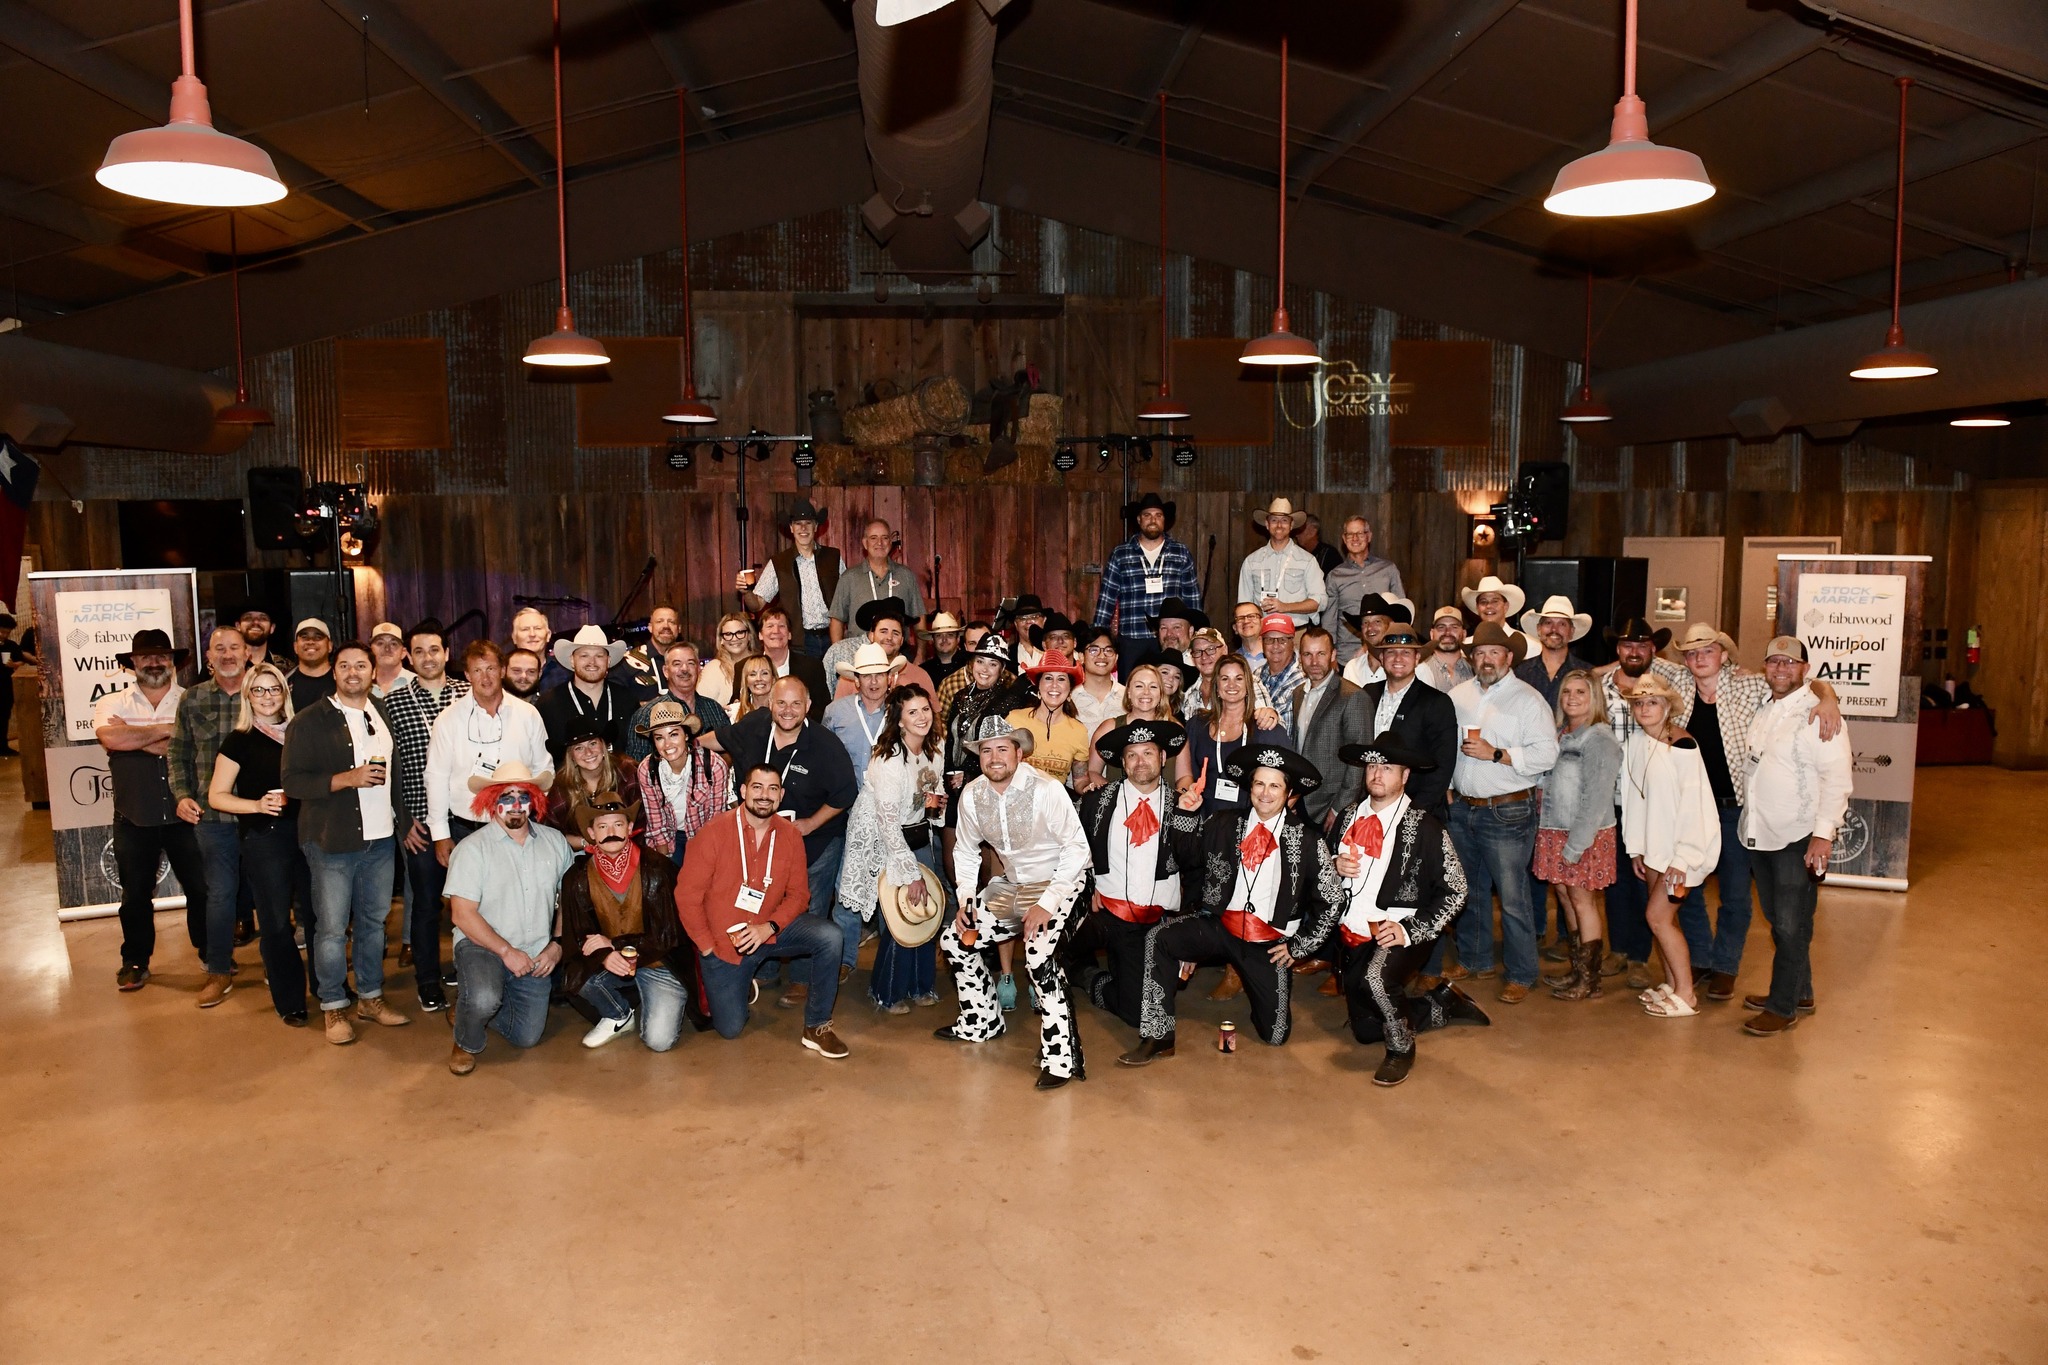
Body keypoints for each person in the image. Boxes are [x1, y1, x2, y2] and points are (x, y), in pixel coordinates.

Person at [1120, 744, 1339, 1065]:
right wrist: (1185, 814)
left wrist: (1299, 946)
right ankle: (1158, 1036)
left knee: (1275, 1034)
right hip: (1220, 926)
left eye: (1274, 785)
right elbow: (1187, 858)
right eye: (1259, 783)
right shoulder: (1223, 822)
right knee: (1160, 938)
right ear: (1250, 787)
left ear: (1289, 793)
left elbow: (1331, 900)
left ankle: (1257, 989)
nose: (1265, 793)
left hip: (1268, 944)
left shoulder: (1308, 840)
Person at [1670, 621, 1842, 1002]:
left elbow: (1798, 684)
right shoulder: (1676, 685)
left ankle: (1726, 966)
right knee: (1687, 889)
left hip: (1736, 810)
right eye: (1692, 653)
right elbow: (1632, 664)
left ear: (1724, 656)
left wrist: (1828, 695)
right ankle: (1700, 958)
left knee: (1736, 894)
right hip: (1691, 809)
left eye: (1708, 650)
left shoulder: (1751, 687)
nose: (1699, 658)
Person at [936, 717, 1090, 1090]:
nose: (994, 757)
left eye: (1003, 749)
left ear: (1019, 753)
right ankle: (982, 1021)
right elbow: (966, 852)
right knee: (954, 940)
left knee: (1039, 956)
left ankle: (1062, 1058)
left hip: (1062, 883)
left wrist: (1047, 903)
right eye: (986, 750)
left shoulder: (1047, 789)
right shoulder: (972, 794)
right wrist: (967, 901)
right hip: (1012, 885)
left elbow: (1077, 850)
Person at [1330, 734, 1487, 1086]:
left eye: (1388, 768)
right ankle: (1440, 1003)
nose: (1377, 774)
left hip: (1400, 929)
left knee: (1376, 980)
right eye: (1372, 766)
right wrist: (1334, 866)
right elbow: (1322, 870)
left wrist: (1409, 929)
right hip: (1353, 930)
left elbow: (1456, 890)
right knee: (1365, 1031)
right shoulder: (1347, 817)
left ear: (1405, 776)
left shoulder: (1426, 826)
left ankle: (1401, 1050)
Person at [281, 640, 410, 1046]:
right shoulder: (308, 720)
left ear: (373, 671)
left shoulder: (382, 711)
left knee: (374, 924)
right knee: (332, 929)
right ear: (333, 672)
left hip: (381, 839)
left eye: (361, 665)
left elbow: (397, 775)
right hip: (331, 841)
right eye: (344, 666)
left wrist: (404, 823)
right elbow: (292, 782)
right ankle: (333, 1004)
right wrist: (346, 779)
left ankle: (370, 997)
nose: (353, 673)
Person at [673, 764, 849, 1057]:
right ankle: (743, 979)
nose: (764, 795)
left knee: (830, 936)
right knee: (730, 1028)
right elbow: (686, 896)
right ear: (743, 791)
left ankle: (817, 1026)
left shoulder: (790, 835)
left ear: (781, 796)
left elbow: (799, 896)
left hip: (770, 932)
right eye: (757, 787)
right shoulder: (714, 833)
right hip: (725, 945)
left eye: (772, 789)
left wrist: (770, 927)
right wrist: (706, 947)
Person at [1737, 636, 1853, 1038]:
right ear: (1765, 667)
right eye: (1773, 661)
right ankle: (1800, 992)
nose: (1780, 669)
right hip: (1760, 832)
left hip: (1797, 835)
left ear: (1804, 668)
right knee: (1780, 919)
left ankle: (1781, 1006)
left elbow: (1837, 778)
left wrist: (1823, 835)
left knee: (1790, 924)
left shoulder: (1819, 714)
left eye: (1789, 663)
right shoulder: (1764, 707)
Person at [716, 677, 859, 996]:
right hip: (765, 842)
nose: (788, 710)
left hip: (815, 842)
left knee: (809, 907)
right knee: (765, 902)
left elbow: (846, 793)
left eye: (796, 704)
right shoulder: (755, 728)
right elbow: (721, 739)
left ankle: (802, 978)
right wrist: (688, 737)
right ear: (770, 704)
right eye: (781, 703)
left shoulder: (826, 745)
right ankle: (766, 968)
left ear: (808, 706)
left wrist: (810, 823)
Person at [1442, 622, 1558, 1003]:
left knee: (1512, 896)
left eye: (1494, 652)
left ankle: (1522, 973)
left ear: (1509, 657)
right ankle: (1475, 960)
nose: (1487, 659)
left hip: (1508, 811)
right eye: (1480, 653)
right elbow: (1446, 746)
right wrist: (1448, 785)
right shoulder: (1458, 696)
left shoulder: (1528, 700)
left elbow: (1547, 754)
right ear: (1471, 658)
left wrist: (1497, 753)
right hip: (1464, 808)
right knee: (1469, 891)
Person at [94, 628, 209, 993]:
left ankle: (211, 952)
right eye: (146, 656)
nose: (154, 662)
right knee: (134, 895)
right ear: (133, 663)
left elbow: (196, 747)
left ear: (173, 662)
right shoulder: (111, 702)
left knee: (201, 888)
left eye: (162, 656)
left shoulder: (191, 699)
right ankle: (135, 961)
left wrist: (135, 735)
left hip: (185, 813)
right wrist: (170, 732)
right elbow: (111, 738)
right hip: (134, 815)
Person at [443, 762, 574, 1073]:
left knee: (527, 1036)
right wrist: (506, 951)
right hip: (481, 944)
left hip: (534, 950)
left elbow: (570, 900)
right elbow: (462, 914)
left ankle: (469, 1006)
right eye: (506, 797)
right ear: (491, 801)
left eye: (523, 796)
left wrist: (557, 944)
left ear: (534, 801)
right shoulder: (472, 849)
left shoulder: (555, 842)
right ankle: (466, 1038)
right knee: (485, 998)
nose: (516, 805)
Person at [206, 660, 308, 1025]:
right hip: (266, 839)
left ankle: (331, 992)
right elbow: (216, 796)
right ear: (248, 695)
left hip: (310, 835)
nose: (267, 696)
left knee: (320, 919)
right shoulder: (240, 740)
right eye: (259, 690)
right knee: (277, 923)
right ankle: (290, 1001)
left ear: (284, 693)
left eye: (274, 688)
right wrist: (256, 805)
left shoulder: (302, 732)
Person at [836, 685, 947, 1014]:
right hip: (883, 838)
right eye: (912, 712)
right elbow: (887, 824)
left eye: (925, 709)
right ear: (899, 720)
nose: (921, 717)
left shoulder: (936, 747)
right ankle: (887, 992)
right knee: (899, 915)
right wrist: (910, 873)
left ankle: (920, 984)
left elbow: (930, 793)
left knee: (925, 909)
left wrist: (937, 802)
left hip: (917, 832)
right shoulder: (888, 760)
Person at [1070, 718, 1186, 1030]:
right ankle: (1076, 963)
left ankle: (1091, 977)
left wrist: (1186, 934)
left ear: (1163, 758)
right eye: (1131, 755)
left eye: (1148, 753)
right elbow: (1073, 852)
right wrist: (1087, 887)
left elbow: (1196, 868)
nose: (1140, 762)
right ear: (1122, 763)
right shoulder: (1096, 801)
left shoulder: (1181, 807)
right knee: (1053, 946)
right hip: (1105, 915)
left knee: (1140, 1013)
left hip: (1155, 924)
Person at [558, 791, 695, 1051]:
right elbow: (578, 935)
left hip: (659, 964)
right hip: (611, 962)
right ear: (591, 833)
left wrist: (613, 944)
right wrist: (603, 955)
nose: (611, 832)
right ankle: (619, 1013)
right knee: (576, 975)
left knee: (659, 1041)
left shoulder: (658, 868)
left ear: (630, 828)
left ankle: (650, 996)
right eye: (602, 827)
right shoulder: (576, 878)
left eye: (618, 824)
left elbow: (668, 936)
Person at [1619, 672, 1721, 1019]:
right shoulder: (1636, 743)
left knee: (1658, 918)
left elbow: (1695, 806)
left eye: (1653, 702)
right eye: (1639, 703)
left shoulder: (1683, 746)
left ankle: (1687, 994)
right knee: (1661, 921)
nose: (1645, 708)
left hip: (1681, 851)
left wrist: (1683, 858)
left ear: (1667, 707)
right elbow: (1633, 798)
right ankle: (1671, 982)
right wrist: (1636, 847)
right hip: (1653, 849)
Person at [381, 619, 469, 1011]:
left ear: (447, 653)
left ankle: (467, 968)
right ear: (408, 656)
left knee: (469, 902)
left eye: (434, 650)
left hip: (468, 817)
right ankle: (428, 979)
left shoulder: (467, 693)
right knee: (426, 903)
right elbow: (389, 766)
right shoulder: (393, 702)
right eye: (418, 651)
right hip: (420, 821)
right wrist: (402, 820)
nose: (427, 657)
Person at [168, 625, 250, 1008]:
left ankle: (279, 967)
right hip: (213, 818)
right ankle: (218, 971)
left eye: (235, 647)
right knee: (219, 895)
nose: (228, 654)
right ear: (209, 657)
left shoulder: (265, 693)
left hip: (261, 815)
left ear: (247, 653)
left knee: (273, 895)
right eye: (220, 648)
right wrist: (182, 795)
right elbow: (178, 753)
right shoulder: (193, 698)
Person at [424, 640, 554, 866]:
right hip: (466, 830)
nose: (485, 677)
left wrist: (533, 812)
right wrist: (440, 834)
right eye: (477, 670)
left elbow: (544, 768)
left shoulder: (528, 714)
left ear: (502, 671)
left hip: (519, 827)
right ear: (467, 675)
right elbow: (436, 777)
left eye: (491, 668)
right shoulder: (447, 720)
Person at [1534, 671, 1622, 1001]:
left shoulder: (1599, 739)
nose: (1572, 698)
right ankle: (1577, 970)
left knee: (1583, 902)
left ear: (1594, 697)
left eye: (1581, 692)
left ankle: (1590, 980)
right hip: (1554, 829)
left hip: (1582, 834)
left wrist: (1576, 845)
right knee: (1567, 897)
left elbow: (1597, 800)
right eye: (1567, 691)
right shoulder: (1562, 733)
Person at [1352, 627, 1458, 819]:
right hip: (1368, 807)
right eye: (1391, 652)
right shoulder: (1367, 693)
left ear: (1417, 658)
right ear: (1382, 658)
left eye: (1406, 653)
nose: (1398, 658)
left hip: (1417, 811)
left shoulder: (1436, 702)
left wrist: (1412, 814)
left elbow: (1443, 766)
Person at [1093, 491, 1201, 675]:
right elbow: (1106, 600)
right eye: (1147, 515)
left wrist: (1196, 636)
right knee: (1130, 687)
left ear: (1165, 520)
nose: (1153, 520)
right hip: (1131, 639)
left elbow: (1192, 598)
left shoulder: (1180, 553)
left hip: (1170, 638)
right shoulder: (1121, 554)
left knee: (1170, 685)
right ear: (1138, 519)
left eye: (1158, 515)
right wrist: (1097, 639)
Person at [1185, 656, 1290, 822]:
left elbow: (1290, 783)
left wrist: (1269, 823)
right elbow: (1185, 776)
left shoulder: (1266, 729)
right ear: (1216, 687)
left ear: (1248, 686)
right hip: (1204, 822)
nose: (1232, 685)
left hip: (1250, 824)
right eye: (1225, 679)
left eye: (1239, 678)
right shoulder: (1197, 726)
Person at [634, 699, 732, 862]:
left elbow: (716, 820)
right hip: (670, 837)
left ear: (686, 735)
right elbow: (656, 822)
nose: (667, 744)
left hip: (704, 836)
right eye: (659, 738)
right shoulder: (647, 769)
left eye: (673, 735)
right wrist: (664, 863)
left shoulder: (714, 765)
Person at [740, 500, 840, 658]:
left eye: (808, 523)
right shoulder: (779, 563)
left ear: (815, 526)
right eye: (798, 523)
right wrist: (746, 592)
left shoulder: (834, 557)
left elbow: (848, 597)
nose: (803, 528)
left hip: (833, 638)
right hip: (800, 642)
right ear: (791, 528)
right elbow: (757, 604)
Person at [1289, 625, 1359, 836]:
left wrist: (1340, 808)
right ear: (1300, 657)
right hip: (1299, 802)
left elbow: (1358, 762)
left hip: (1331, 805)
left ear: (1333, 655)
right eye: (1307, 654)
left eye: (1321, 653)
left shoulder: (1353, 696)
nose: (1314, 661)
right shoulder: (1298, 693)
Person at [1081, 662, 1188, 791]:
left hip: (1165, 803)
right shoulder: (1109, 728)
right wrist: (1112, 795)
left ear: (1161, 693)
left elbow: (1184, 776)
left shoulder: (1175, 730)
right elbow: (1092, 771)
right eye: (1139, 686)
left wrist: (1181, 796)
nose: (1146, 692)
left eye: (1153, 687)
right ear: (1129, 693)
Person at [537, 625, 636, 761]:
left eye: (599, 656)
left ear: (608, 661)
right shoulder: (548, 705)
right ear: (572, 660)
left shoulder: (627, 700)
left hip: (619, 775)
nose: (592, 662)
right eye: (584, 655)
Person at [624, 639, 735, 761]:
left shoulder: (715, 709)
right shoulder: (646, 714)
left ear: (699, 669)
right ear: (666, 671)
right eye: (677, 664)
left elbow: (732, 750)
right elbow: (636, 764)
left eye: (691, 663)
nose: (684, 669)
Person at [546, 713, 639, 847]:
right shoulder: (561, 789)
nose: (588, 752)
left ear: (603, 746)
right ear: (571, 756)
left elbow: (644, 821)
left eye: (593, 743)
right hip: (582, 853)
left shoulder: (627, 773)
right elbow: (551, 835)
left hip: (631, 848)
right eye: (579, 748)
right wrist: (587, 843)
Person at [1238, 497, 1328, 631]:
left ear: (1291, 525)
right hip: (1261, 633)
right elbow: (1243, 604)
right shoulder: (1251, 562)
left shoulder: (1307, 561)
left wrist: (1285, 607)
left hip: (1296, 633)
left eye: (1284, 520)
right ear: (1267, 524)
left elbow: (1320, 602)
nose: (1279, 525)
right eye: (1274, 520)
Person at [1322, 516, 1404, 662]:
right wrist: (1330, 657)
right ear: (1344, 538)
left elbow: (1401, 613)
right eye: (1350, 534)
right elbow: (1329, 621)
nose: (1355, 538)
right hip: (1347, 655)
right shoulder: (1335, 576)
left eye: (1360, 533)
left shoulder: (1388, 569)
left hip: (1385, 652)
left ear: (1369, 536)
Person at [1006, 650, 1093, 789]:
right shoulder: (1014, 719)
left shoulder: (1079, 731)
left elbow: (1080, 780)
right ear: (1038, 687)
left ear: (1069, 691)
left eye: (1061, 679)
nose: (1054, 685)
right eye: (1048, 678)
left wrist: (1088, 788)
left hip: (1054, 800)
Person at [828, 517, 924, 642]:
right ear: (865, 543)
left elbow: (919, 616)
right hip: (860, 652)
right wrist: (838, 652)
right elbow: (837, 620)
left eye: (885, 538)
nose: (880, 543)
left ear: (890, 542)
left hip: (898, 652)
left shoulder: (906, 575)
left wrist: (921, 652)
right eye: (873, 538)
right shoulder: (849, 578)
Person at [827, 598, 936, 700]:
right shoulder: (851, 677)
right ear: (871, 636)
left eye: (895, 633)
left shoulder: (920, 675)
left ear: (902, 640)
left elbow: (932, 713)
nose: (889, 638)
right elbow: (837, 712)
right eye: (883, 631)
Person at [825, 642, 900, 786]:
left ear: (889, 678)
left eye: (879, 675)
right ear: (857, 680)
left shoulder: (900, 711)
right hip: (846, 796)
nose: (874, 682)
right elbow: (824, 757)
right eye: (866, 676)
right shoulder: (835, 711)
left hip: (891, 795)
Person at [754, 608, 833, 722]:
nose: (776, 631)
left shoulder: (812, 667)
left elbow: (822, 709)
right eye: (770, 626)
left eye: (781, 626)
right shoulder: (744, 667)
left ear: (790, 634)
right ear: (760, 635)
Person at [1515, 596, 1593, 709]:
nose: (1554, 629)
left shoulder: (1586, 673)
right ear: (1539, 629)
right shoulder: (1521, 672)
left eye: (1562, 624)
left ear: (1571, 632)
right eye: (1548, 623)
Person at [1338, 595, 1414, 688]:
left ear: (1391, 625)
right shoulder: (1352, 668)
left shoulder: (1410, 667)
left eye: (1377, 621)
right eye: (1365, 622)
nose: (1370, 627)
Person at [1253, 614, 1304, 732]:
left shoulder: (1304, 680)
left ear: (1292, 642)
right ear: (1262, 643)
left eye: (1282, 640)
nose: (1275, 646)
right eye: (1269, 640)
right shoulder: (1255, 675)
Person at [1071, 626, 1126, 731]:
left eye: (1108, 650)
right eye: (1094, 650)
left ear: (1116, 658)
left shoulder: (1127, 697)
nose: (1102, 656)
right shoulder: (1070, 698)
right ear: (1081, 657)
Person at [619, 605, 682, 696]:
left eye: (671, 622)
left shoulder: (687, 663)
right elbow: (615, 699)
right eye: (659, 621)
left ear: (679, 628)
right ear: (650, 627)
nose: (666, 626)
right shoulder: (629, 661)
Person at [698, 612, 755, 711]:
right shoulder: (713, 669)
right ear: (721, 640)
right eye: (728, 634)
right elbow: (701, 708)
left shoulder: (762, 663)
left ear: (749, 636)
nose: (734, 638)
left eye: (740, 633)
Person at [510, 606, 569, 693]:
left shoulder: (565, 672)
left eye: (537, 628)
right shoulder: (502, 674)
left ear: (548, 635)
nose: (532, 634)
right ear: (514, 637)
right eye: (525, 629)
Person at [1418, 606, 1475, 692]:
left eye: (1454, 627)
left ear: (1464, 634)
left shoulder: (1475, 670)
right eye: (1441, 627)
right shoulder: (1420, 670)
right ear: (1432, 634)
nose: (1447, 632)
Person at [286, 618, 335, 711]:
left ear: (330, 646)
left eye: (318, 637)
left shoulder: (342, 681)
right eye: (304, 637)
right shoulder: (284, 684)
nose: (311, 642)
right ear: (295, 647)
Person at [367, 621, 415, 699]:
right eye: (380, 643)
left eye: (393, 644)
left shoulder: (416, 683)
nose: (387, 648)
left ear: (403, 652)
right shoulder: (361, 684)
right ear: (370, 650)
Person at [923, 612, 970, 688]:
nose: (944, 639)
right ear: (932, 640)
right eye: (939, 635)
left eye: (950, 635)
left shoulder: (970, 664)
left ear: (958, 639)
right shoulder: (924, 671)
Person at [729, 652, 776, 722]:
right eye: (753, 674)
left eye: (764, 673)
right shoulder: (733, 712)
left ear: (773, 679)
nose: (759, 679)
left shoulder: (782, 711)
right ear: (746, 681)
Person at [1293, 510, 1343, 576]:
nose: (1296, 535)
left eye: (1300, 531)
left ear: (1313, 532)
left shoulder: (1329, 554)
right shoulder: (1297, 554)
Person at [1230, 602, 1266, 669]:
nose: (1246, 621)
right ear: (1235, 628)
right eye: (1240, 618)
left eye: (1251, 616)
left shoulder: (1276, 654)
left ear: (1262, 623)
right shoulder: (1232, 661)